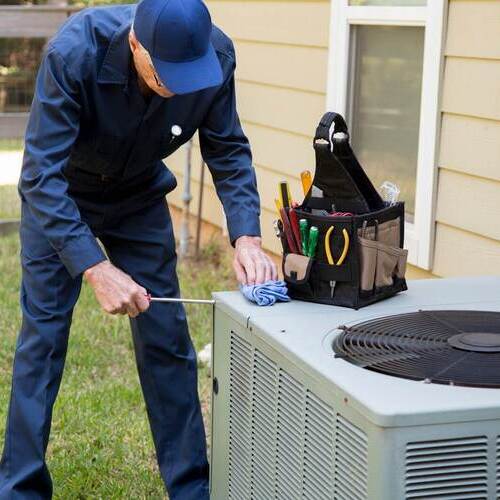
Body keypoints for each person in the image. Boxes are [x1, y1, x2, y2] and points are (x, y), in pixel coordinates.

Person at [0, 0, 277, 498]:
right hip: (63, 192)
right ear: (135, 43)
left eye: (187, 73)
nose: (176, 86)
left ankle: (191, 489)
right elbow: (40, 175)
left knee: (166, 339)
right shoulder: (73, 52)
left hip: (139, 193)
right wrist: (95, 267)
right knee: (42, 342)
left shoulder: (215, 57)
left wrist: (246, 236)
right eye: (165, 73)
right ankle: (18, 489)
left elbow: (227, 147)